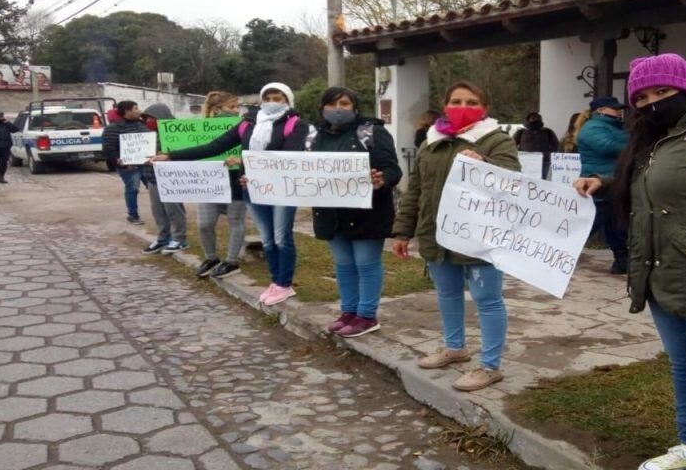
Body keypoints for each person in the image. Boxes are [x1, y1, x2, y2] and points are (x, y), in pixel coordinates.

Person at [574, 53, 686, 470]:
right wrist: (604, 181)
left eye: (663, 91)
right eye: (643, 96)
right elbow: (657, 185)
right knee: (684, 368)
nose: (652, 102)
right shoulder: (654, 139)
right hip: (661, 276)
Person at [392, 80, 520, 392]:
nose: (463, 108)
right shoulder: (430, 142)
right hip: (436, 235)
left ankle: (490, 366)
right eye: (457, 101)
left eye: (471, 102)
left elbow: (512, 180)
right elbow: (416, 190)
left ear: (484, 108)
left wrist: (486, 166)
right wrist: (402, 231)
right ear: (446, 105)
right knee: (447, 294)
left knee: (487, 300)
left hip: (479, 238)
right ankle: (455, 347)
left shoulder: (496, 140)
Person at [153, 82, 310, 305]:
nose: (273, 103)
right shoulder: (247, 124)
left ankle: (285, 284)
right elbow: (213, 147)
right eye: (268, 98)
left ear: (288, 100)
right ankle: (275, 282)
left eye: (279, 99)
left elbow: (289, 155)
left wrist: (245, 160)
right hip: (253, 189)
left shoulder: (296, 124)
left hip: (283, 189)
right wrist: (171, 156)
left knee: (281, 238)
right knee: (267, 239)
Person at [310, 87, 402, 338]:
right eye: (331, 104)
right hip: (330, 214)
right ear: (322, 108)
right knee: (344, 265)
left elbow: (393, 170)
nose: (337, 109)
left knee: (366, 263)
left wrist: (381, 180)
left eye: (344, 103)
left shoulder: (372, 132)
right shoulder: (314, 137)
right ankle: (348, 311)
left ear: (356, 107)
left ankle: (367, 315)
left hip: (367, 213)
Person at [192, 91, 248, 279]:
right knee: (204, 224)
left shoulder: (245, 127)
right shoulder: (197, 128)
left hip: (235, 180)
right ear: (217, 110)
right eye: (232, 107)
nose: (237, 111)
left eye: (238, 107)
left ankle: (231, 261)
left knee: (236, 220)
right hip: (209, 180)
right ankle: (211, 258)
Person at [577, 96, 630, 274]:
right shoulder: (592, 127)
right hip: (597, 183)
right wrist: (634, 143)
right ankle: (557, 253)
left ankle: (622, 260)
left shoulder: (612, 127)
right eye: (615, 108)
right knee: (588, 223)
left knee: (616, 223)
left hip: (611, 182)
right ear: (601, 110)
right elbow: (608, 147)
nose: (619, 111)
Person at [139, 103, 188, 254]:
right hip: (152, 177)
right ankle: (163, 238)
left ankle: (180, 239)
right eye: (146, 119)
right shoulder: (148, 134)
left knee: (174, 209)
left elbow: (182, 153)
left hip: (170, 178)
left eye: (150, 118)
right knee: (158, 210)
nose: (148, 121)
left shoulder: (175, 132)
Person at [102, 100, 149, 225]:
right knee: (132, 189)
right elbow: (109, 148)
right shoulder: (113, 128)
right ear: (127, 111)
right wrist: (120, 163)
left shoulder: (143, 124)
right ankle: (133, 215)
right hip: (129, 166)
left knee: (154, 187)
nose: (139, 110)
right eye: (135, 108)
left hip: (146, 163)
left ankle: (163, 212)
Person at [512, 112, 559, 179]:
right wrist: (518, 155)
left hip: (544, 161)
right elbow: (511, 145)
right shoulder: (521, 132)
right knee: (524, 180)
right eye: (533, 118)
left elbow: (556, 145)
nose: (535, 119)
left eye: (537, 118)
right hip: (525, 161)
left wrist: (547, 154)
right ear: (528, 119)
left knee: (542, 181)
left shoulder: (548, 131)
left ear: (541, 119)